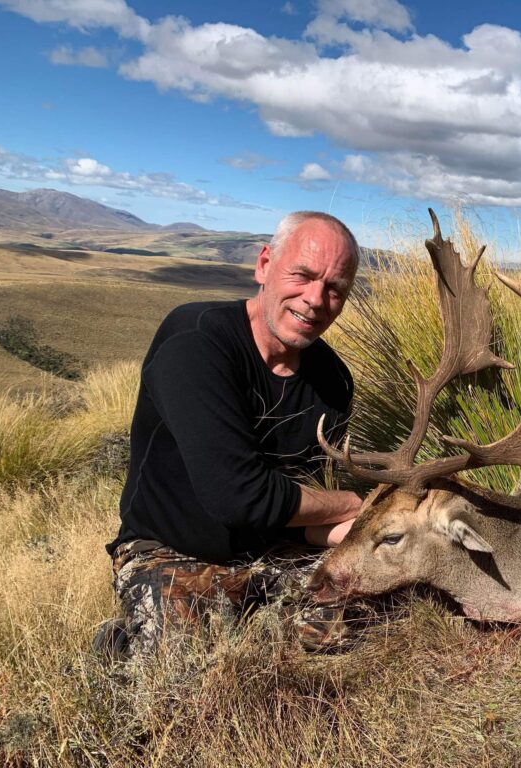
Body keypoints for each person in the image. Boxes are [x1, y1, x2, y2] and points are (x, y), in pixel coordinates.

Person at [95, 211, 364, 658]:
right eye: (303, 275)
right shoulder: (196, 342)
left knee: (353, 624)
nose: (316, 299)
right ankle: (121, 643)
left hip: (274, 548)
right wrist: (355, 506)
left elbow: (297, 506)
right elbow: (237, 496)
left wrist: (349, 534)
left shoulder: (334, 381)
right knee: (181, 675)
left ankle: (256, 623)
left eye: (335, 288)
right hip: (171, 549)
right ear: (264, 265)